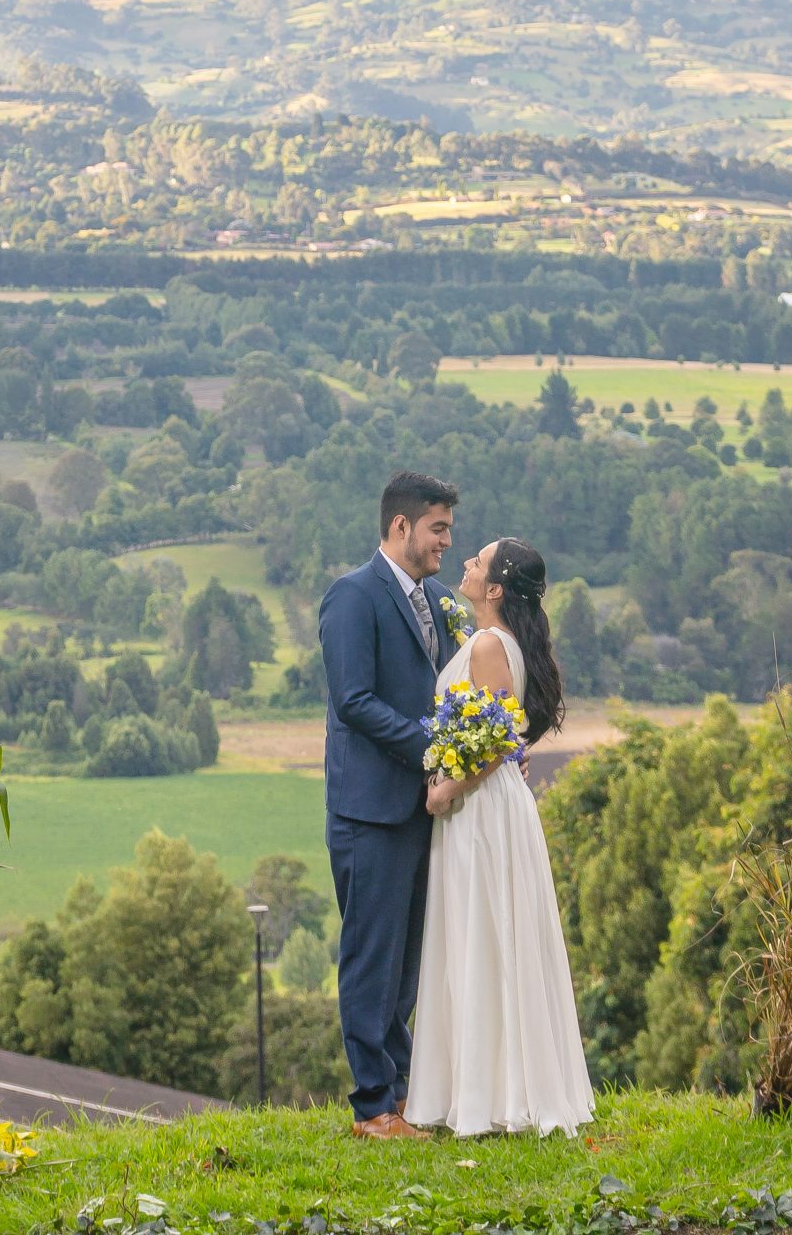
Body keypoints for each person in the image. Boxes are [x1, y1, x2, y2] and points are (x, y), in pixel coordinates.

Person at [405, 537, 594, 1136]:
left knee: (484, 933)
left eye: (477, 562)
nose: (464, 562)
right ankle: (488, 1086)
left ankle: (496, 1097)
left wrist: (443, 790)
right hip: (490, 806)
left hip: (481, 811)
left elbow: (493, 742)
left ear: (494, 589)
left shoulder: (489, 644)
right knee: (488, 934)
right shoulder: (493, 640)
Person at [319, 469, 460, 1138]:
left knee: (405, 967)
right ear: (399, 526)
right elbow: (353, 700)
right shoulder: (351, 596)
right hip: (369, 813)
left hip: (417, 812)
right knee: (371, 961)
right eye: (437, 529)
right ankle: (370, 1106)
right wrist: (433, 747)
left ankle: (401, 1095)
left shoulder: (432, 601)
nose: (445, 544)